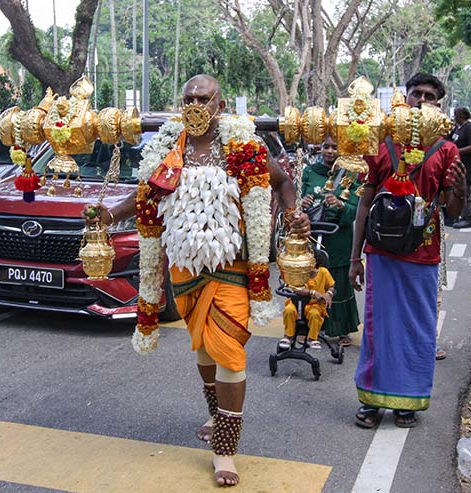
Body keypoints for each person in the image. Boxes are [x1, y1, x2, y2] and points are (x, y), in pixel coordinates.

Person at [85, 75, 310, 486]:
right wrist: (109, 216)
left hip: (233, 268)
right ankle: (215, 412)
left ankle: (225, 451)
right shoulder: (169, 148)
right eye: (188, 97)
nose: (195, 104)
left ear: (219, 106)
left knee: (227, 351)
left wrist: (293, 211)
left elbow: (282, 181)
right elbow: (145, 196)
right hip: (183, 270)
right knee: (205, 351)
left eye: (203, 98)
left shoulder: (243, 146)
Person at [349, 72, 467, 429]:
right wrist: (355, 258)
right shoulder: (382, 142)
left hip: (423, 253)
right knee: (377, 327)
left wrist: (460, 188)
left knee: (418, 328)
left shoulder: (446, 150)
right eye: (417, 93)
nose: (422, 100)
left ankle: (408, 402)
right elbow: (365, 204)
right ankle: (371, 400)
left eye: (431, 96)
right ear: (405, 96)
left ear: (439, 104)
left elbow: (453, 211)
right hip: (381, 252)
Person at [299, 135, 362, 347]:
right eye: (326, 146)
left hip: (339, 238)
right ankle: (307, 327)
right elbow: (296, 204)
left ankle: (342, 328)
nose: (329, 151)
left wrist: (340, 205)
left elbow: (355, 210)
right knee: (312, 279)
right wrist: (303, 204)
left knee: (339, 282)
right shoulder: (308, 172)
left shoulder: (351, 174)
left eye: (335, 147)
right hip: (312, 237)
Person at [280, 250, 335, 349]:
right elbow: (296, 289)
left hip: (315, 304)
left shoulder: (323, 272)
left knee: (315, 314)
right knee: (289, 311)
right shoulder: (298, 273)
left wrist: (329, 294)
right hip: (296, 302)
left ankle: (312, 338)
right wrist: (313, 293)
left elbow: (331, 286)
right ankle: (288, 336)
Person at [450, 107, 471, 229]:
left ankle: (468, 218)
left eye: (456, 115)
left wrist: (457, 151)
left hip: (468, 165)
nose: (454, 117)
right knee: (457, 190)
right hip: (458, 165)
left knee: (466, 192)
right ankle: (459, 215)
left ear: (462, 116)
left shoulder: (469, 128)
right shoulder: (457, 128)